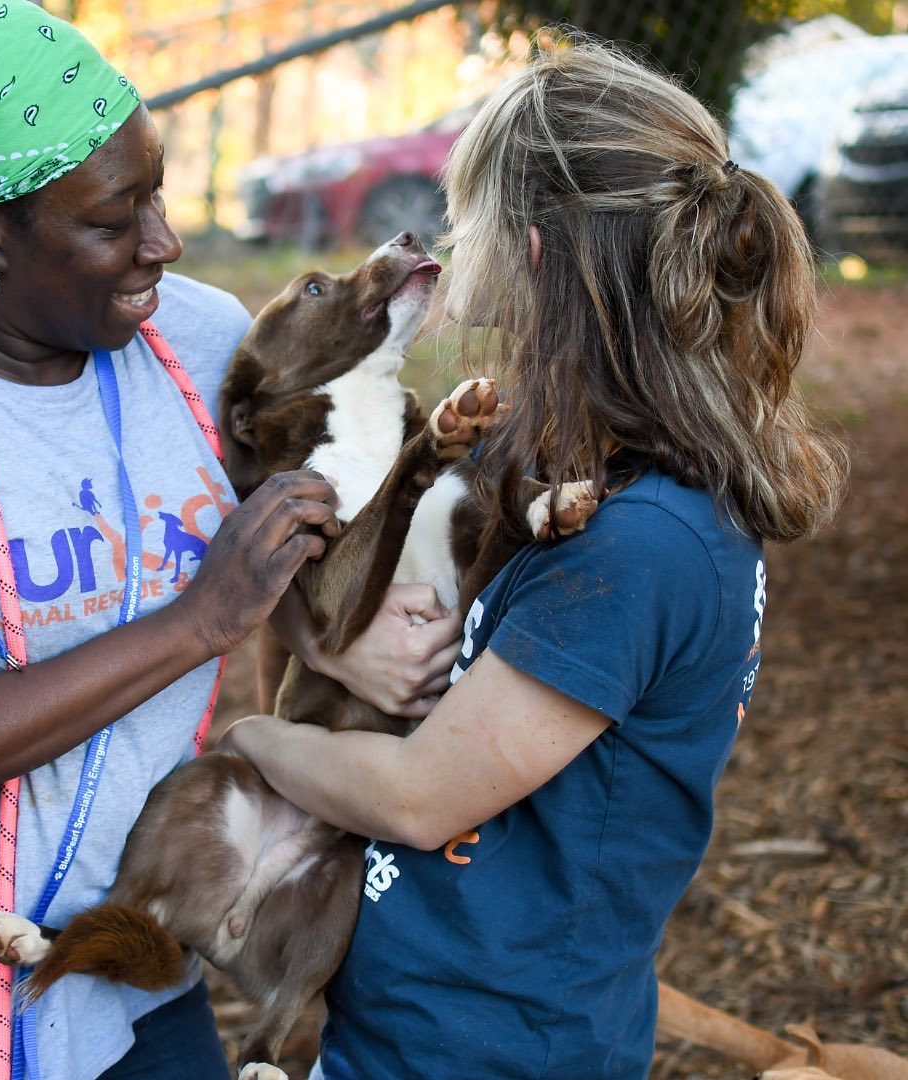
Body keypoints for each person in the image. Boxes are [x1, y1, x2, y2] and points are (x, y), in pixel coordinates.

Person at [0, 2, 460, 1078]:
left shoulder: (197, 340)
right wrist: (195, 622)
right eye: (115, 218)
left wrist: (338, 638)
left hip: (133, 975)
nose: (162, 241)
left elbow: (308, 541)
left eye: (157, 190)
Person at [222, 37, 850, 1079]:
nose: (444, 238)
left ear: (535, 255)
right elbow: (327, 568)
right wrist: (330, 653)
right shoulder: (549, 453)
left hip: (500, 1046)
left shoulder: (646, 542)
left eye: (465, 218)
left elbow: (422, 796)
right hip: (416, 1014)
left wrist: (246, 741)